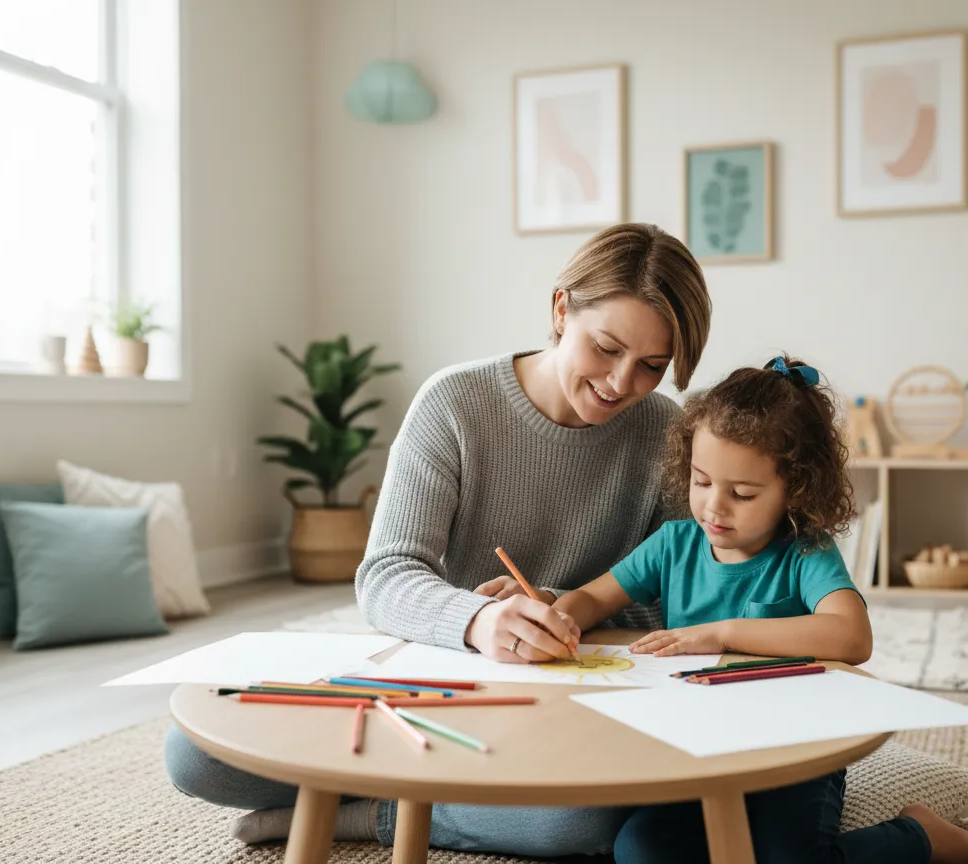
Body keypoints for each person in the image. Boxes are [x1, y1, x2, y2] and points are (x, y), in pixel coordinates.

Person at [164, 223, 714, 856]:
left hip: (566, 708)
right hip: (436, 687)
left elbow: (679, 603)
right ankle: (435, 793)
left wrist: (567, 605)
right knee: (195, 753)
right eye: (606, 348)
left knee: (580, 823)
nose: (620, 383)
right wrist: (480, 619)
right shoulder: (455, 402)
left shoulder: (666, 434)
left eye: (651, 366)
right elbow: (386, 575)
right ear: (562, 309)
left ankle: (374, 813)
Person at [554, 357, 968, 864]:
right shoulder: (673, 543)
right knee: (638, 850)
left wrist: (724, 633)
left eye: (742, 494)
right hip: (701, 746)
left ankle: (919, 836)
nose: (714, 508)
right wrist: (558, 612)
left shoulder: (805, 551)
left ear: (795, 489)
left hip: (798, 749)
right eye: (702, 482)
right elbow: (594, 597)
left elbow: (852, 637)